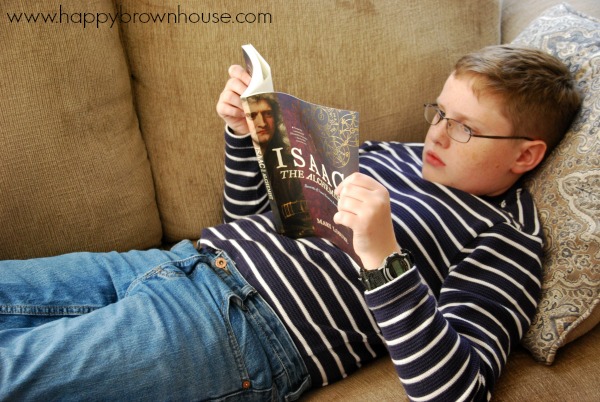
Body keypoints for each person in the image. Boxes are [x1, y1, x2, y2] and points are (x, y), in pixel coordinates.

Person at [0, 45, 580, 401]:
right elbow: (247, 220)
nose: (436, 133)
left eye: (465, 128)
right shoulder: (390, 153)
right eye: (440, 112)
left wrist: (384, 258)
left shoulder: (508, 237)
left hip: (246, 330)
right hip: (181, 260)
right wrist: (242, 136)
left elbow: (458, 393)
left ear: (526, 155)